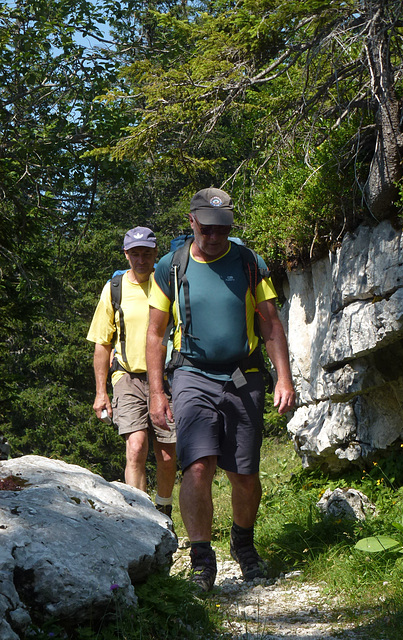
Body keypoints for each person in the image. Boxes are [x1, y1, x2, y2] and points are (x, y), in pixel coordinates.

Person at [146, 188, 296, 591]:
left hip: (243, 375)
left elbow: (269, 323)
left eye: (223, 229)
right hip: (191, 374)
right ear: (192, 221)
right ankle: (201, 560)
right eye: (208, 229)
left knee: (243, 474)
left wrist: (284, 377)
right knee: (197, 465)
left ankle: (243, 546)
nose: (215, 236)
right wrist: (157, 393)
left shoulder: (248, 263)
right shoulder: (171, 266)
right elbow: (156, 334)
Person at [86, 226, 177, 517]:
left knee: (166, 452)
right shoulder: (114, 289)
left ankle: (163, 507)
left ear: (155, 255)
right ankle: (140, 515)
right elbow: (102, 343)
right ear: (126, 255)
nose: (141, 260)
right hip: (127, 375)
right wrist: (101, 392)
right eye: (135, 253)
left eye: (146, 253)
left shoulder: (167, 285)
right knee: (136, 446)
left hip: (166, 377)